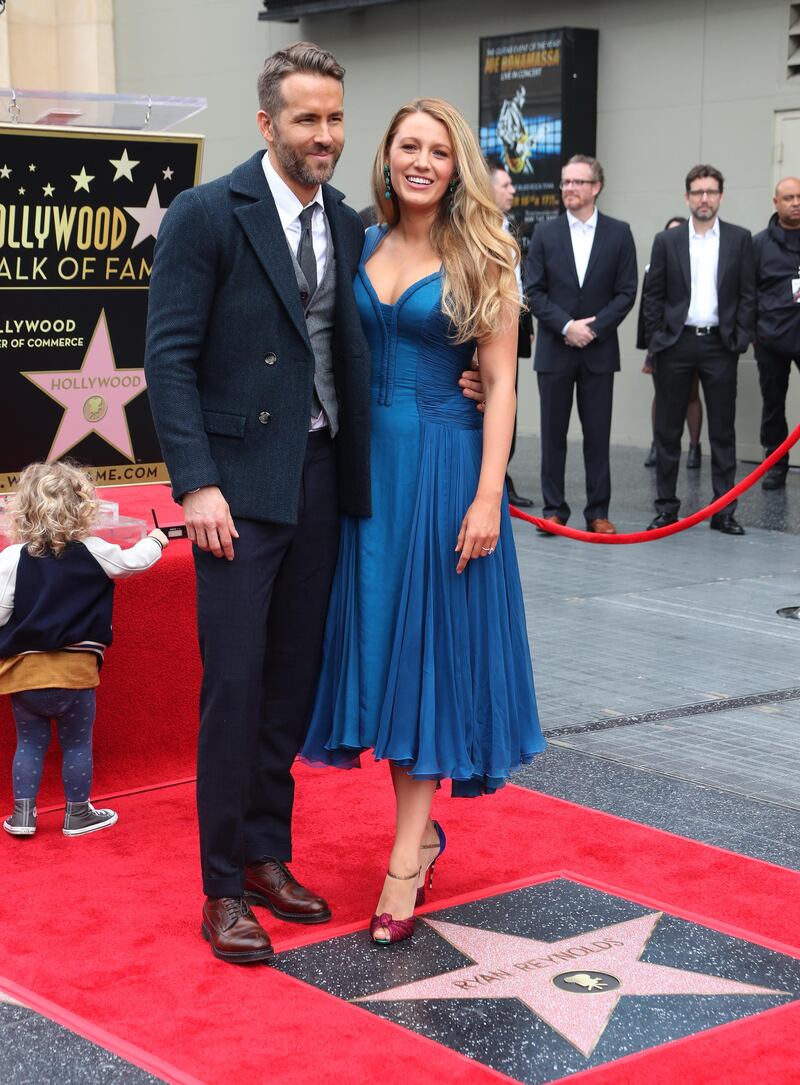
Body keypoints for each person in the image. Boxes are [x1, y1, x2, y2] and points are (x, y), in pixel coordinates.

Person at [144, 44, 482, 965]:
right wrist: (197, 481)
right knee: (236, 684)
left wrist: (475, 382)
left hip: (330, 481)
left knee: (291, 685)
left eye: (335, 118)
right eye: (307, 119)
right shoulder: (207, 213)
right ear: (267, 124)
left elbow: (402, 324)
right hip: (236, 491)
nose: (326, 135)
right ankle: (220, 889)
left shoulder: (349, 220)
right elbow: (167, 359)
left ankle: (264, 854)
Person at [301, 98, 546, 946]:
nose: (422, 161)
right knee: (380, 656)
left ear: (457, 166)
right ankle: (423, 832)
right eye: (408, 145)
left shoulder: (486, 252)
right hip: (367, 475)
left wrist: (489, 494)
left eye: (439, 150)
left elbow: (502, 383)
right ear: (387, 154)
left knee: (425, 658)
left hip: (445, 470)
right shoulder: (359, 241)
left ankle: (406, 855)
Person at [0, 461, 167, 838]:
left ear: (23, 509)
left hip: (25, 676)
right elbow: (133, 562)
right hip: (77, 675)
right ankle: (78, 814)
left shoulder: (12, 558)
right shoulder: (95, 549)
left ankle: (23, 817)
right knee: (76, 745)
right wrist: (157, 539)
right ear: (84, 507)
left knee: (29, 744)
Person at [524, 155, 638, 535]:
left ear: (596, 187)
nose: (569, 189)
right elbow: (533, 291)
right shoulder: (544, 233)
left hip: (599, 352)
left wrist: (594, 328)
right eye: (565, 182)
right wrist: (567, 326)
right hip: (556, 352)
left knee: (597, 436)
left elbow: (626, 292)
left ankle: (598, 512)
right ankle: (554, 509)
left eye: (577, 182)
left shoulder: (619, 233)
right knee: (553, 436)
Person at [643, 165, 755, 535]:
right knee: (668, 431)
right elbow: (653, 295)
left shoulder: (740, 239)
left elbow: (748, 295)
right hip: (676, 343)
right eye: (697, 192)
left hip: (721, 346)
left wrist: (740, 339)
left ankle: (723, 511)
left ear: (721, 196)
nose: (704, 198)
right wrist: (658, 338)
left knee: (722, 431)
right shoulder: (667, 241)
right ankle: (666, 509)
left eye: (710, 191)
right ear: (687, 197)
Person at [636, 216, 704, 469]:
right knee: (663, 397)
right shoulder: (654, 266)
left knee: (692, 395)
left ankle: (694, 448)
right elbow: (648, 305)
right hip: (664, 342)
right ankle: (658, 445)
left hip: (691, 339)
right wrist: (651, 345)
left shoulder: (698, 263)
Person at [488, 160, 534, 507]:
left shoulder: (511, 228)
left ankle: (503, 473)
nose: (512, 190)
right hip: (484, 329)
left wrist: (525, 328)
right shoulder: (476, 229)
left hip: (513, 327)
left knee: (508, 398)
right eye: (505, 185)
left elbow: (518, 285)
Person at [753, 176, 800, 490]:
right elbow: (747, 291)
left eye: (799, 197)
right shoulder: (759, 244)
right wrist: (757, 332)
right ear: (775, 203)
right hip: (772, 338)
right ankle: (775, 465)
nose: (795, 203)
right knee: (773, 404)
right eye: (788, 198)